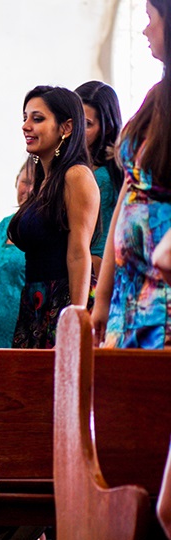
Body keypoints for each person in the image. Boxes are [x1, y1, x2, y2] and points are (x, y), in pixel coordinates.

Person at [94, 1, 171, 348]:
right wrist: (102, 299)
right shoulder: (156, 96)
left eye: (149, 19)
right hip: (127, 296)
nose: (144, 30)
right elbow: (129, 192)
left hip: (163, 299)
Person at [9, 85, 98, 349]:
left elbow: (79, 253)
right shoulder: (44, 180)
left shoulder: (76, 175)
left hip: (63, 299)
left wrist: (76, 317)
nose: (26, 126)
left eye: (37, 119)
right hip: (37, 298)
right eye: (24, 118)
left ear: (66, 127)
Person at [75, 81, 124, 277]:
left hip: (93, 275)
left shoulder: (101, 178)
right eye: (75, 120)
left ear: (108, 128)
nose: (77, 130)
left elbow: (98, 253)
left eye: (86, 124)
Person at [0, 161, 36, 348]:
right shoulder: (3, 225)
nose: (30, 189)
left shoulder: (44, 231)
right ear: (16, 181)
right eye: (25, 181)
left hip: (22, 332)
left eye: (38, 183)